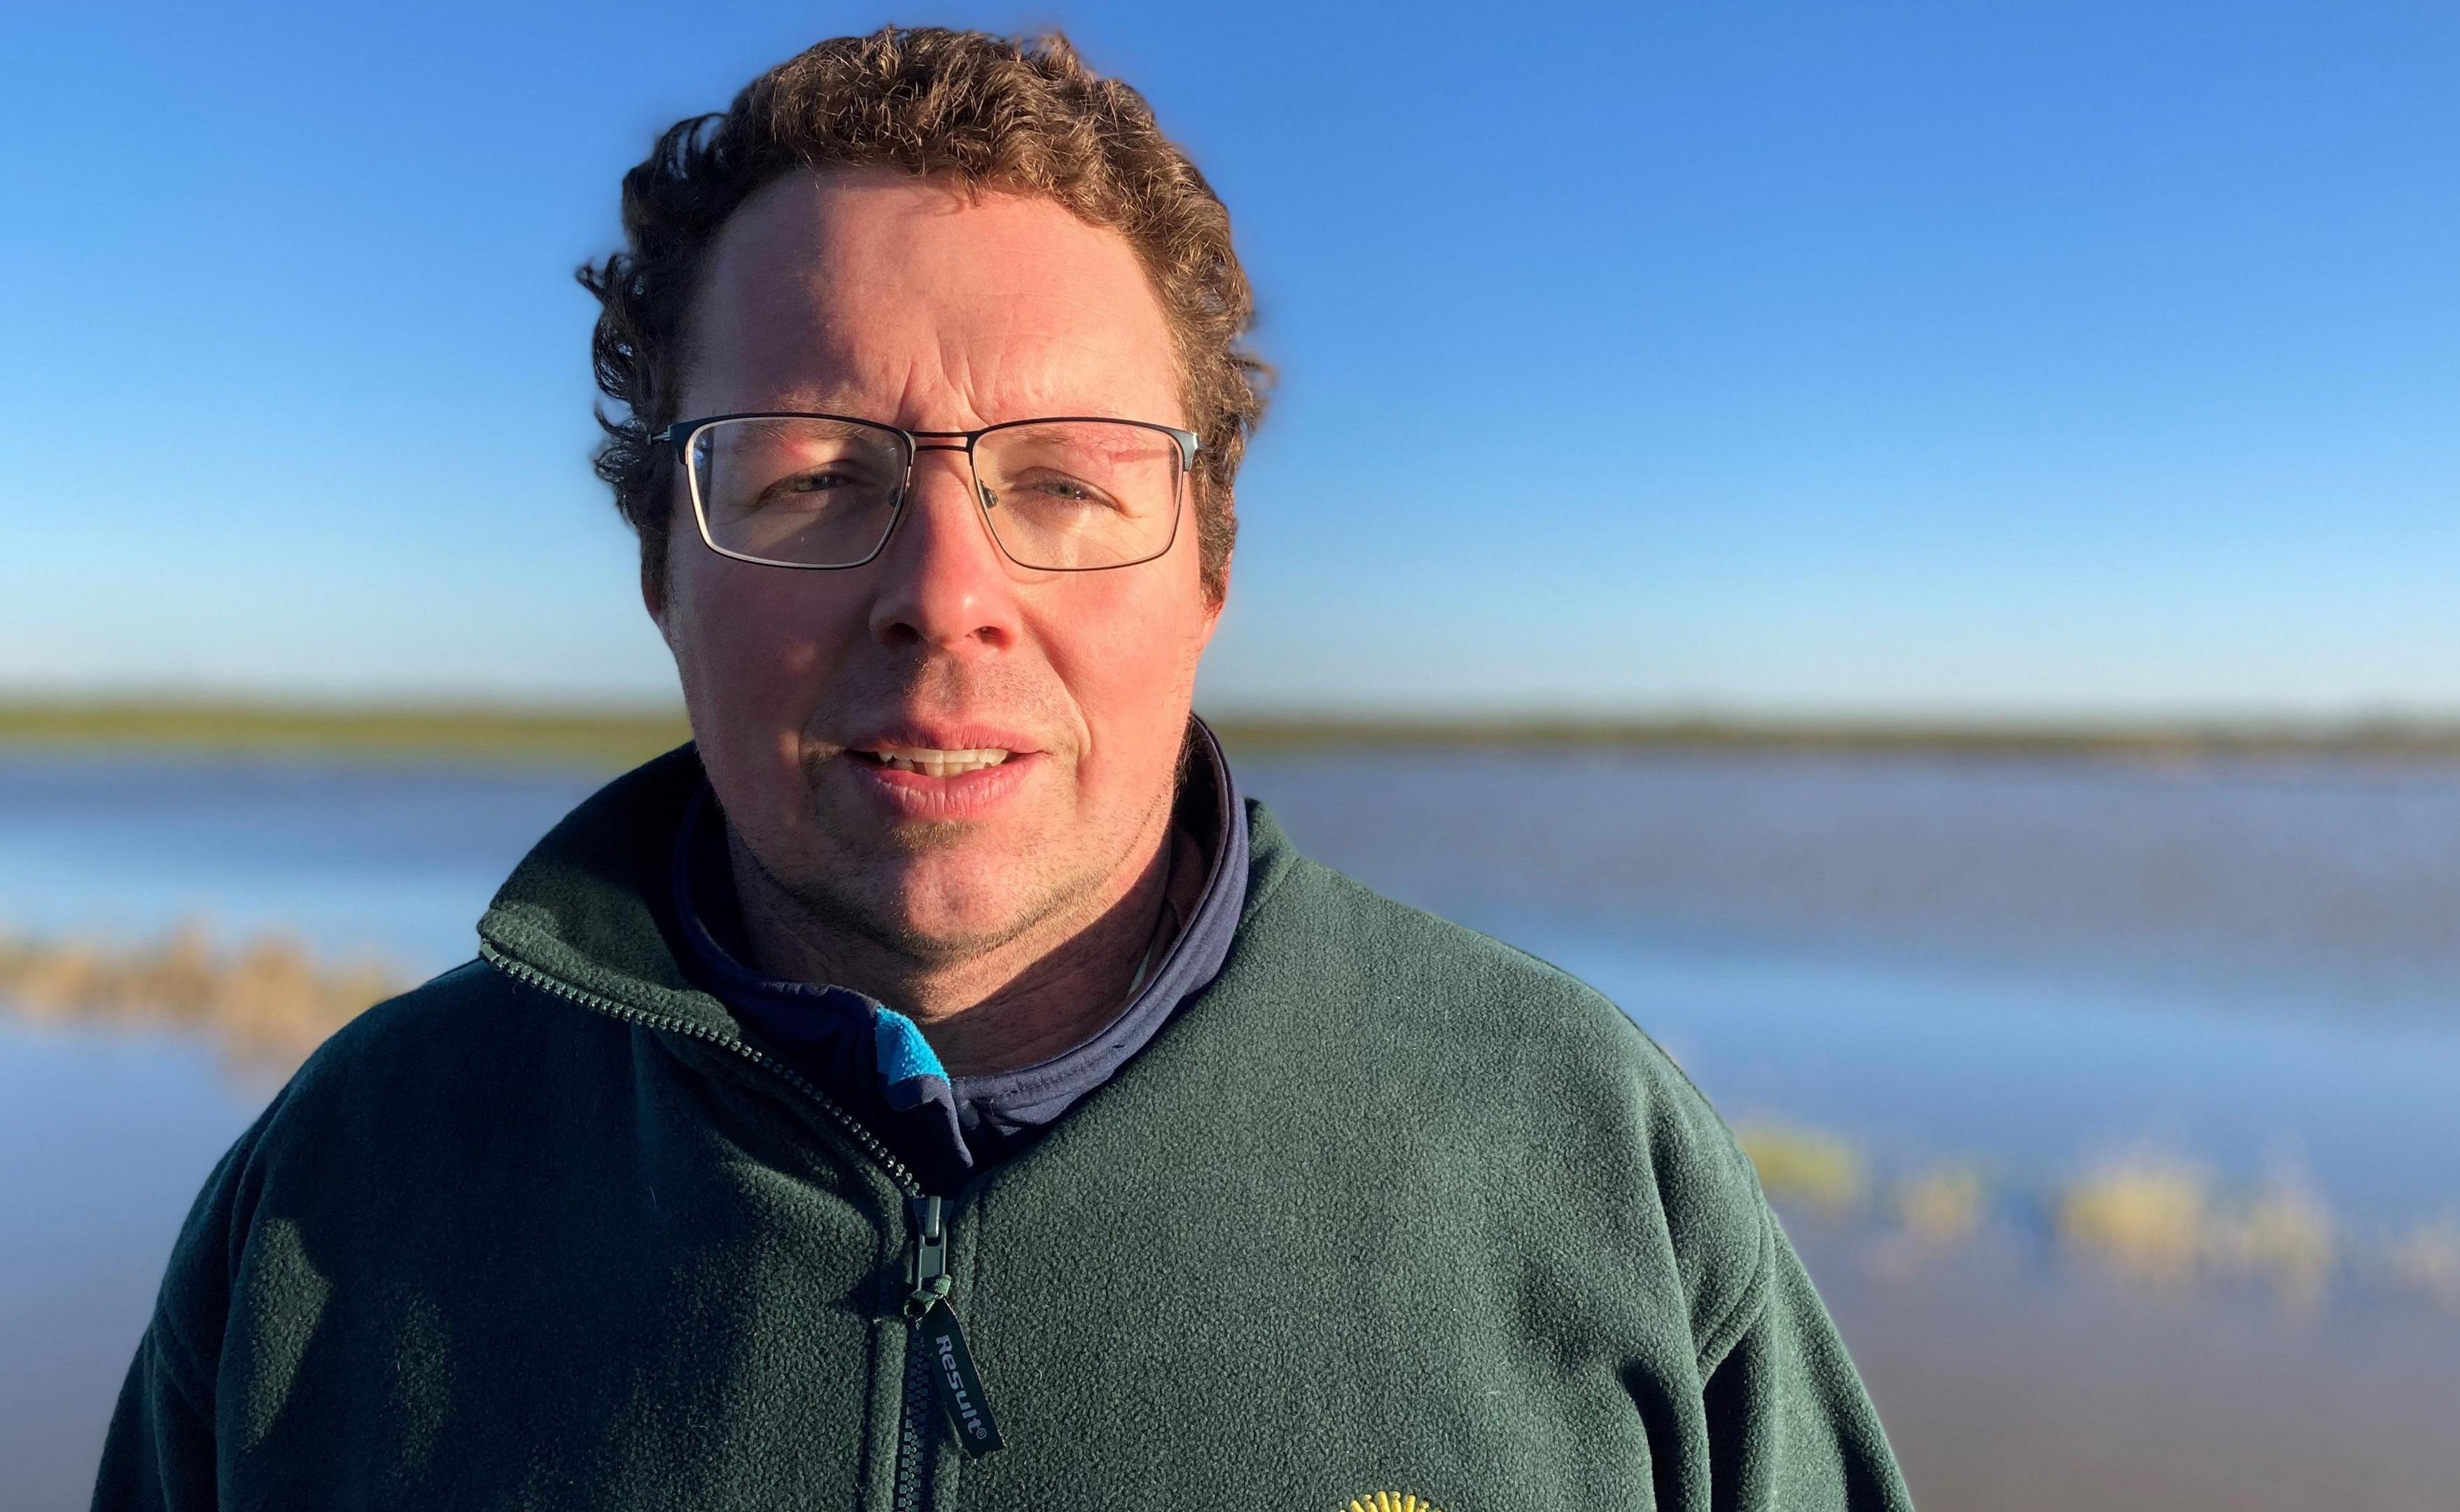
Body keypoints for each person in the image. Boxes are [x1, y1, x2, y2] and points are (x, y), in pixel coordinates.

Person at [94, 27, 1910, 1512]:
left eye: (1064, 480)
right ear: (662, 568)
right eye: (811, 479)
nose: (947, 595)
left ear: (1209, 571)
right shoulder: (340, 1199)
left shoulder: (1590, 1161)